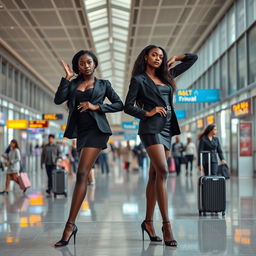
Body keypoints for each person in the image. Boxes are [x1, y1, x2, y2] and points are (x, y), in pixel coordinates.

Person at [124, 44, 197, 247]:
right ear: (145, 57)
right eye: (154, 55)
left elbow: (193, 58)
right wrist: (147, 112)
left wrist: (174, 57)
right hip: (150, 127)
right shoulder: (138, 80)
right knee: (163, 171)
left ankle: (148, 222)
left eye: (160, 56)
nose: (157, 58)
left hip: (167, 128)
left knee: (155, 174)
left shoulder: (167, 76)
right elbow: (127, 105)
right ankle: (166, 225)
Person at [54, 50, 123, 247]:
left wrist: (96, 107)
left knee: (82, 172)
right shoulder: (74, 83)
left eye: (89, 62)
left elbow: (120, 104)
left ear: (95, 64)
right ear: (78, 67)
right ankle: (71, 225)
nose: (86, 65)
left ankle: (69, 226)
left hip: (97, 130)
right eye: (82, 63)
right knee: (82, 174)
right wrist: (66, 79)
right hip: (81, 133)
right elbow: (58, 100)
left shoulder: (104, 84)